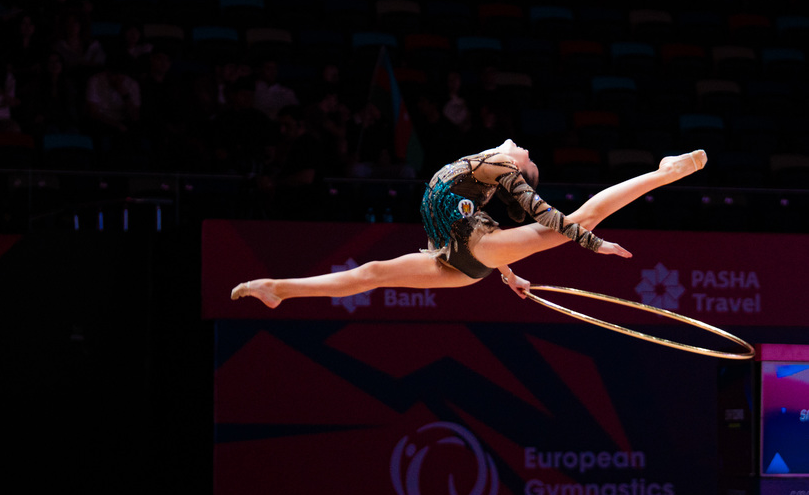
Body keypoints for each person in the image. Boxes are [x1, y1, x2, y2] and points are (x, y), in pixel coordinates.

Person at [231, 141, 708, 308]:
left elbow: (544, 214)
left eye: (528, 158)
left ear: (518, 170)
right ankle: (278, 288)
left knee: (582, 216)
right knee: (370, 274)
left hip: (473, 250)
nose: (523, 147)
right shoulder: (487, 164)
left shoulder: (501, 168)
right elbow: (490, 237)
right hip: (453, 261)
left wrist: (592, 244)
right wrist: (510, 272)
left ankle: (664, 172)